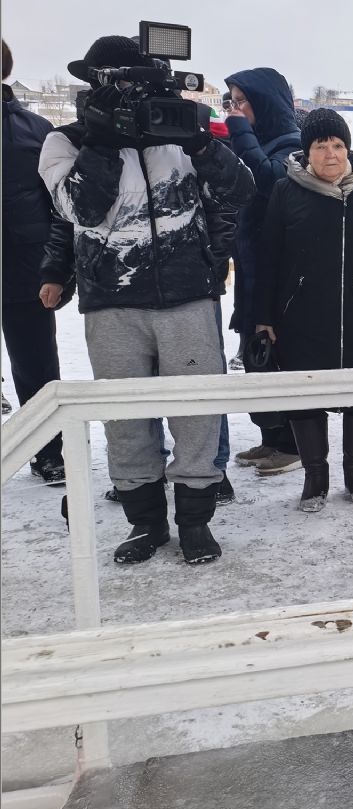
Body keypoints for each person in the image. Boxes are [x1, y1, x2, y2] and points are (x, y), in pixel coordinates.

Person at [40, 34, 256, 564]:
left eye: (138, 84)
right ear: (92, 85)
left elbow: (240, 191)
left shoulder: (176, 134)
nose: (130, 95)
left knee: (197, 415)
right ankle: (146, 524)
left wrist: (201, 142)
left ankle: (195, 522)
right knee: (125, 419)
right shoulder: (65, 142)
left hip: (188, 298)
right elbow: (81, 210)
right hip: (112, 304)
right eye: (116, 84)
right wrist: (103, 140)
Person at [255, 109, 353, 512]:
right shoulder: (286, 192)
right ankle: (315, 477)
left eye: (337, 145)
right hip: (300, 319)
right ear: (307, 153)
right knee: (306, 396)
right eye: (320, 146)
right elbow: (268, 258)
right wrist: (265, 316)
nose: (330, 153)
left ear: (348, 149)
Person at [225, 67, 304, 475]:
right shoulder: (256, 142)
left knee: (277, 355)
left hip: (279, 275)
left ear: (265, 102)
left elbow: (268, 181)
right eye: (232, 101)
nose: (236, 109)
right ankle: (271, 436)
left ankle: (292, 443)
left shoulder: (291, 144)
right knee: (255, 353)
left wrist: (240, 133)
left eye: (243, 101)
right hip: (251, 268)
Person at [2, 39, 68, 484]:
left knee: (36, 365)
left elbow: (58, 205)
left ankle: (49, 450)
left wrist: (57, 269)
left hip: (23, 267)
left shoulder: (35, 130)